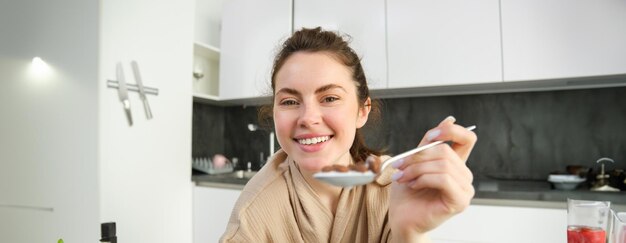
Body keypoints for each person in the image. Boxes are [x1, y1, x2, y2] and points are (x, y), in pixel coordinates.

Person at [220, 27, 477, 243]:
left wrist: (409, 231)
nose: (308, 118)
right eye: (289, 101)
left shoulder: (396, 187)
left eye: (329, 98)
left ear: (362, 111)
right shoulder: (253, 214)